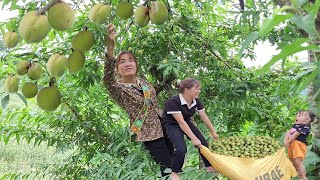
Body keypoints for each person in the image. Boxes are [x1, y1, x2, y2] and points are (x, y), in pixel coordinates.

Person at [103, 23, 173, 177]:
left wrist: (167, 83)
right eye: (122, 62)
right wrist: (110, 47)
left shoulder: (143, 81)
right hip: (150, 134)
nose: (127, 63)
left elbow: (151, 97)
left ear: (136, 64)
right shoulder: (119, 89)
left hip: (165, 125)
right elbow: (107, 79)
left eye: (130, 60)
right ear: (117, 69)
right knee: (169, 171)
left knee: (175, 164)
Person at [161, 78, 219, 180]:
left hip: (185, 121)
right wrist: (193, 138)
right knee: (181, 148)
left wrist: (213, 131)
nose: (199, 91)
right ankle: (174, 172)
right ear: (186, 90)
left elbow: (203, 116)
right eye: (197, 88)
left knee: (203, 144)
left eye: (199, 89)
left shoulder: (196, 101)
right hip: (172, 124)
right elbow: (180, 122)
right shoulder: (173, 102)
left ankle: (209, 167)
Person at [284, 110, 316, 180]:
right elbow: (289, 132)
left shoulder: (305, 127)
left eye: (300, 115)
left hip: (298, 145)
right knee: (292, 161)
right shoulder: (296, 125)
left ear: (307, 120)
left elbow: (295, 135)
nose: (297, 116)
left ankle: (303, 177)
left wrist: (288, 142)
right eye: (297, 115)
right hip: (292, 145)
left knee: (298, 161)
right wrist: (285, 141)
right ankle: (299, 175)